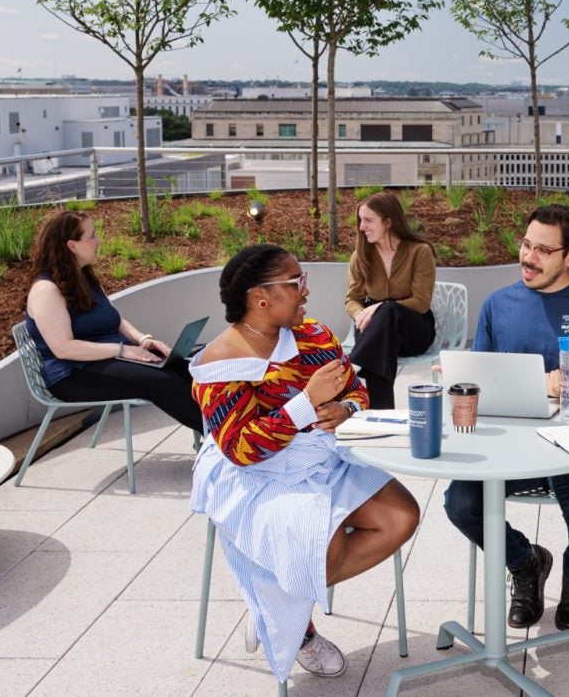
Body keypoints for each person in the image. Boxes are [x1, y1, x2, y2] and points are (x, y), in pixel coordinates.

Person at [189, 244, 419, 681]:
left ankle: (268, 605)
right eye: (296, 283)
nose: (306, 290)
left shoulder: (313, 334)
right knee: (321, 545)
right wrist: (305, 403)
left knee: (401, 516)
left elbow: (356, 388)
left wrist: (347, 409)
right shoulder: (222, 361)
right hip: (254, 472)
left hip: (321, 454)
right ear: (261, 297)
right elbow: (240, 447)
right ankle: (301, 629)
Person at [442, 203, 569, 630]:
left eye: (543, 250)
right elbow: (484, 385)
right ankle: (526, 563)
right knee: (459, 504)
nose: (529, 257)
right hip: (513, 446)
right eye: (526, 244)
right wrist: (459, 380)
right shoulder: (497, 305)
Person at [21, 208, 201, 432]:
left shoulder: (84, 276)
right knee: (160, 381)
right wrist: (123, 350)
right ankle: (227, 443)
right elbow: (64, 349)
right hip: (72, 375)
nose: (98, 241)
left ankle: (233, 430)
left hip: (107, 360)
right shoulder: (46, 290)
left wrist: (142, 339)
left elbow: (115, 320)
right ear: (72, 245)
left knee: (188, 367)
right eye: (92, 236)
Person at [344, 192, 439, 409]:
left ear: (388, 221)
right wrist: (360, 314)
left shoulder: (420, 252)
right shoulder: (360, 256)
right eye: (360, 220)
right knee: (382, 339)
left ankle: (352, 368)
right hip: (374, 331)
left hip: (414, 330)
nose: (361, 227)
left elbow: (422, 302)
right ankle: (383, 415)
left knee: (387, 312)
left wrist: (381, 306)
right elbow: (352, 299)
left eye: (368, 220)